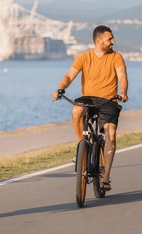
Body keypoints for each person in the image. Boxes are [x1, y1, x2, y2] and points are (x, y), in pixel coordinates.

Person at [52, 25, 129, 191]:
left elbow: (122, 77)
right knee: (76, 109)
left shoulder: (116, 57)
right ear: (99, 40)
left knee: (111, 134)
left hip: (109, 100)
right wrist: (60, 89)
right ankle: (82, 149)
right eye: (110, 39)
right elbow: (69, 76)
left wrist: (123, 92)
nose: (113, 42)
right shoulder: (84, 57)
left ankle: (106, 176)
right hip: (89, 98)